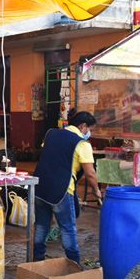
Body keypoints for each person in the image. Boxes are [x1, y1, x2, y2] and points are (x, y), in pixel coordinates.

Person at [33, 111, 102, 264]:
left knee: (41, 225)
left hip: (40, 187)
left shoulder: (51, 134)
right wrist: (96, 190)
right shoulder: (82, 144)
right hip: (61, 191)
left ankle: (37, 259)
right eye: (89, 129)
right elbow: (90, 173)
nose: (89, 133)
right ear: (83, 126)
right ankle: (74, 263)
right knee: (68, 228)